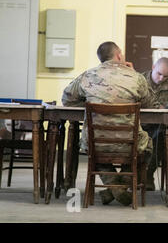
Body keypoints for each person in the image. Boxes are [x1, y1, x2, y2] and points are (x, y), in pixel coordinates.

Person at [62, 41, 152, 206]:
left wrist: (89, 106)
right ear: (118, 55)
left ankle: (114, 189)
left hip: (96, 143)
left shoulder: (88, 75)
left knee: (96, 149)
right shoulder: (136, 77)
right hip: (128, 143)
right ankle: (121, 186)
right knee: (147, 145)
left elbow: (67, 99)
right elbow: (148, 103)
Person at [141, 57, 168, 191]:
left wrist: (165, 106)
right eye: (159, 74)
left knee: (160, 137)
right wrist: (157, 106)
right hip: (139, 123)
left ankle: (147, 174)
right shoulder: (140, 80)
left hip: (158, 125)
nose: (161, 78)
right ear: (153, 67)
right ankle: (138, 175)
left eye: (165, 76)